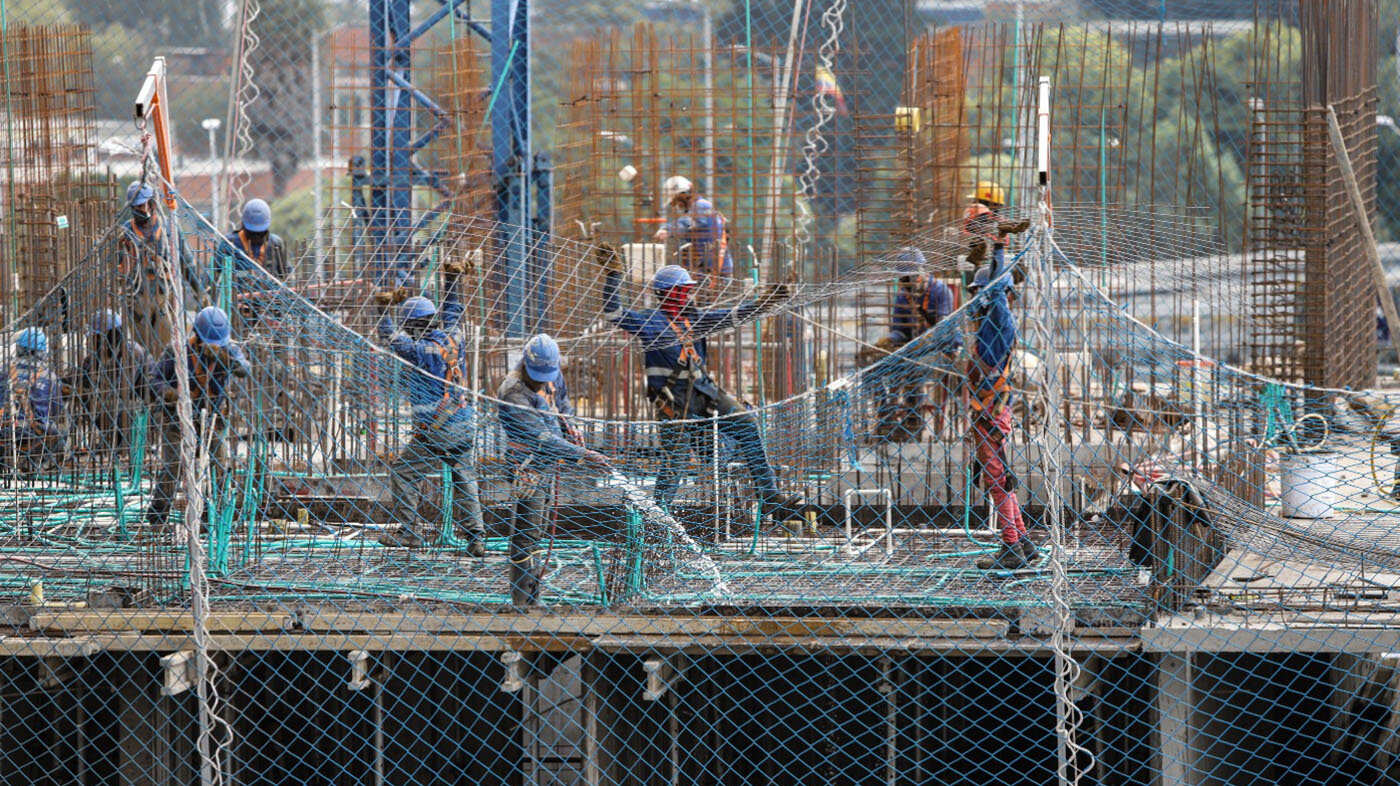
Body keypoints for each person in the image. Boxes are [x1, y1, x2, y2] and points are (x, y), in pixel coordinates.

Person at [597, 245, 805, 521]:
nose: (689, 294)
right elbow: (614, 315)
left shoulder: (697, 319)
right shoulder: (650, 321)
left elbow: (736, 314)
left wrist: (766, 302)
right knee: (675, 462)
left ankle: (769, 497)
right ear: (671, 293)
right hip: (672, 401)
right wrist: (613, 276)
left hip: (705, 394)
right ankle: (659, 520)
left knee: (747, 425)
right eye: (684, 290)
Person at [377, 260, 487, 555]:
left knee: (403, 473)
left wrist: (383, 309)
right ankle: (476, 537)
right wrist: (452, 281)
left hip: (436, 431)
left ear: (413, 325)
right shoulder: (455, 338)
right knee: (465, 478)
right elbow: (454, 312)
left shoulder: (418, 350)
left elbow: (389, 336)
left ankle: (411, 532)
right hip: (464, 423)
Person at [498, 334, 607, 605]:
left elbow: (564, 403)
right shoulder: (512, 392)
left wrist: (570, 424)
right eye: (537, 376)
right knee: (527, 532)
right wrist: (582, 455)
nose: (542, 381)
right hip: (527, 469)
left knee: (540, 529)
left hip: (549, 462)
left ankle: (532, 595)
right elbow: (541, 438)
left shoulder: (551, 374)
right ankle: (522, 601)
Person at [968, 227, 1038, 571]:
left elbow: (995, 291)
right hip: (992, 413)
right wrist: (978, 259)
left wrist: (998, 248)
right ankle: (1023, 540)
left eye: (977, 293)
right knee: (1001, 478)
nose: (974, 300)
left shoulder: (998, 319)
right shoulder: (989, 325)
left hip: (991, 415)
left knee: (997, 480)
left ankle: (1011, 548)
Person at [145, 306, 251, 531]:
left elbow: (245, 369)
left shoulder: (229, 351)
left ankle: (217, 515)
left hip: (212, 418)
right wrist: (172, 394)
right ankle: (158, 515)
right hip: (177, 419)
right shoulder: (177, 351)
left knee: (219, 466)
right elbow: (154, 380)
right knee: (173, 467)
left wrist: (225, 359)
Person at [871, 248, 957, 441]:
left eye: (911, 277)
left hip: (941, 352)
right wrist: (889, 340)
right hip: (911, 352)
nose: (908, 283)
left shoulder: (940, 291)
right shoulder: (904, 295)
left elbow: (943, 332)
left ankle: (913, 421)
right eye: (905, 279)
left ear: (922, 272)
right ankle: (886, 418)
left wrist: (923, 342)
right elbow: (900, 329)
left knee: (913, 367)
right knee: (873, 366)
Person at [118, 181, 207, 353]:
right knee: (140, 352)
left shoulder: (169, 229)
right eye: (136, 207)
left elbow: (187, 264)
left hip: (165, 299)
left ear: (152, 203)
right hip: (138, 301)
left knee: (165, 350)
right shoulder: (126, 232)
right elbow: (117, 270)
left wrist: (200, 293)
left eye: (142, 205)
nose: (140, 210)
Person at [72, 310, 152, 461]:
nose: (90, 340)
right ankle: (113, 441)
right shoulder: (98, 355)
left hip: (140, 407)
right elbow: (80, 379)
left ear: (108, 336)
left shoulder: (130, 352)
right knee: (92, 400)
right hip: (121, 405)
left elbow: (122, 389)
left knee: (110, 404)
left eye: (95, 337)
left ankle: (126, 445)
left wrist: (93, 388)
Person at [0, 328, 66, 472]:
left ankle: (8, 463)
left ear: (18, 348)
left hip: (5, 430)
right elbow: (57, 409)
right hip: (34, 431)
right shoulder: (49, 376)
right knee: (63, 432)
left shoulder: (5, 371)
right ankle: (37, 464)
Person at [654, 175, 734, 278]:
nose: (676, 205)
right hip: (707, 269)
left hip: (718, 271)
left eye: (675, 201)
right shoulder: (697, 209)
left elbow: (686, 223)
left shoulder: (702, 206)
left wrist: (667, 230)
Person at [962, 181, 1029, 265]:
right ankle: (1013, 227)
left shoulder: (983, 212)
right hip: (984, 246)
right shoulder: (979, 208)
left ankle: (1012, 227)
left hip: (988, 247)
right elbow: (978, 226)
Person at [224, 198, 288, 279]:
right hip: (238, 290)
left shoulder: (275, 243)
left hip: (270, 290)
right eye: (252, 232)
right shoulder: (230, 243)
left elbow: (286, 274)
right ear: (243, 224)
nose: (256, 236)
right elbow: (213, 272)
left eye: (260, 232)